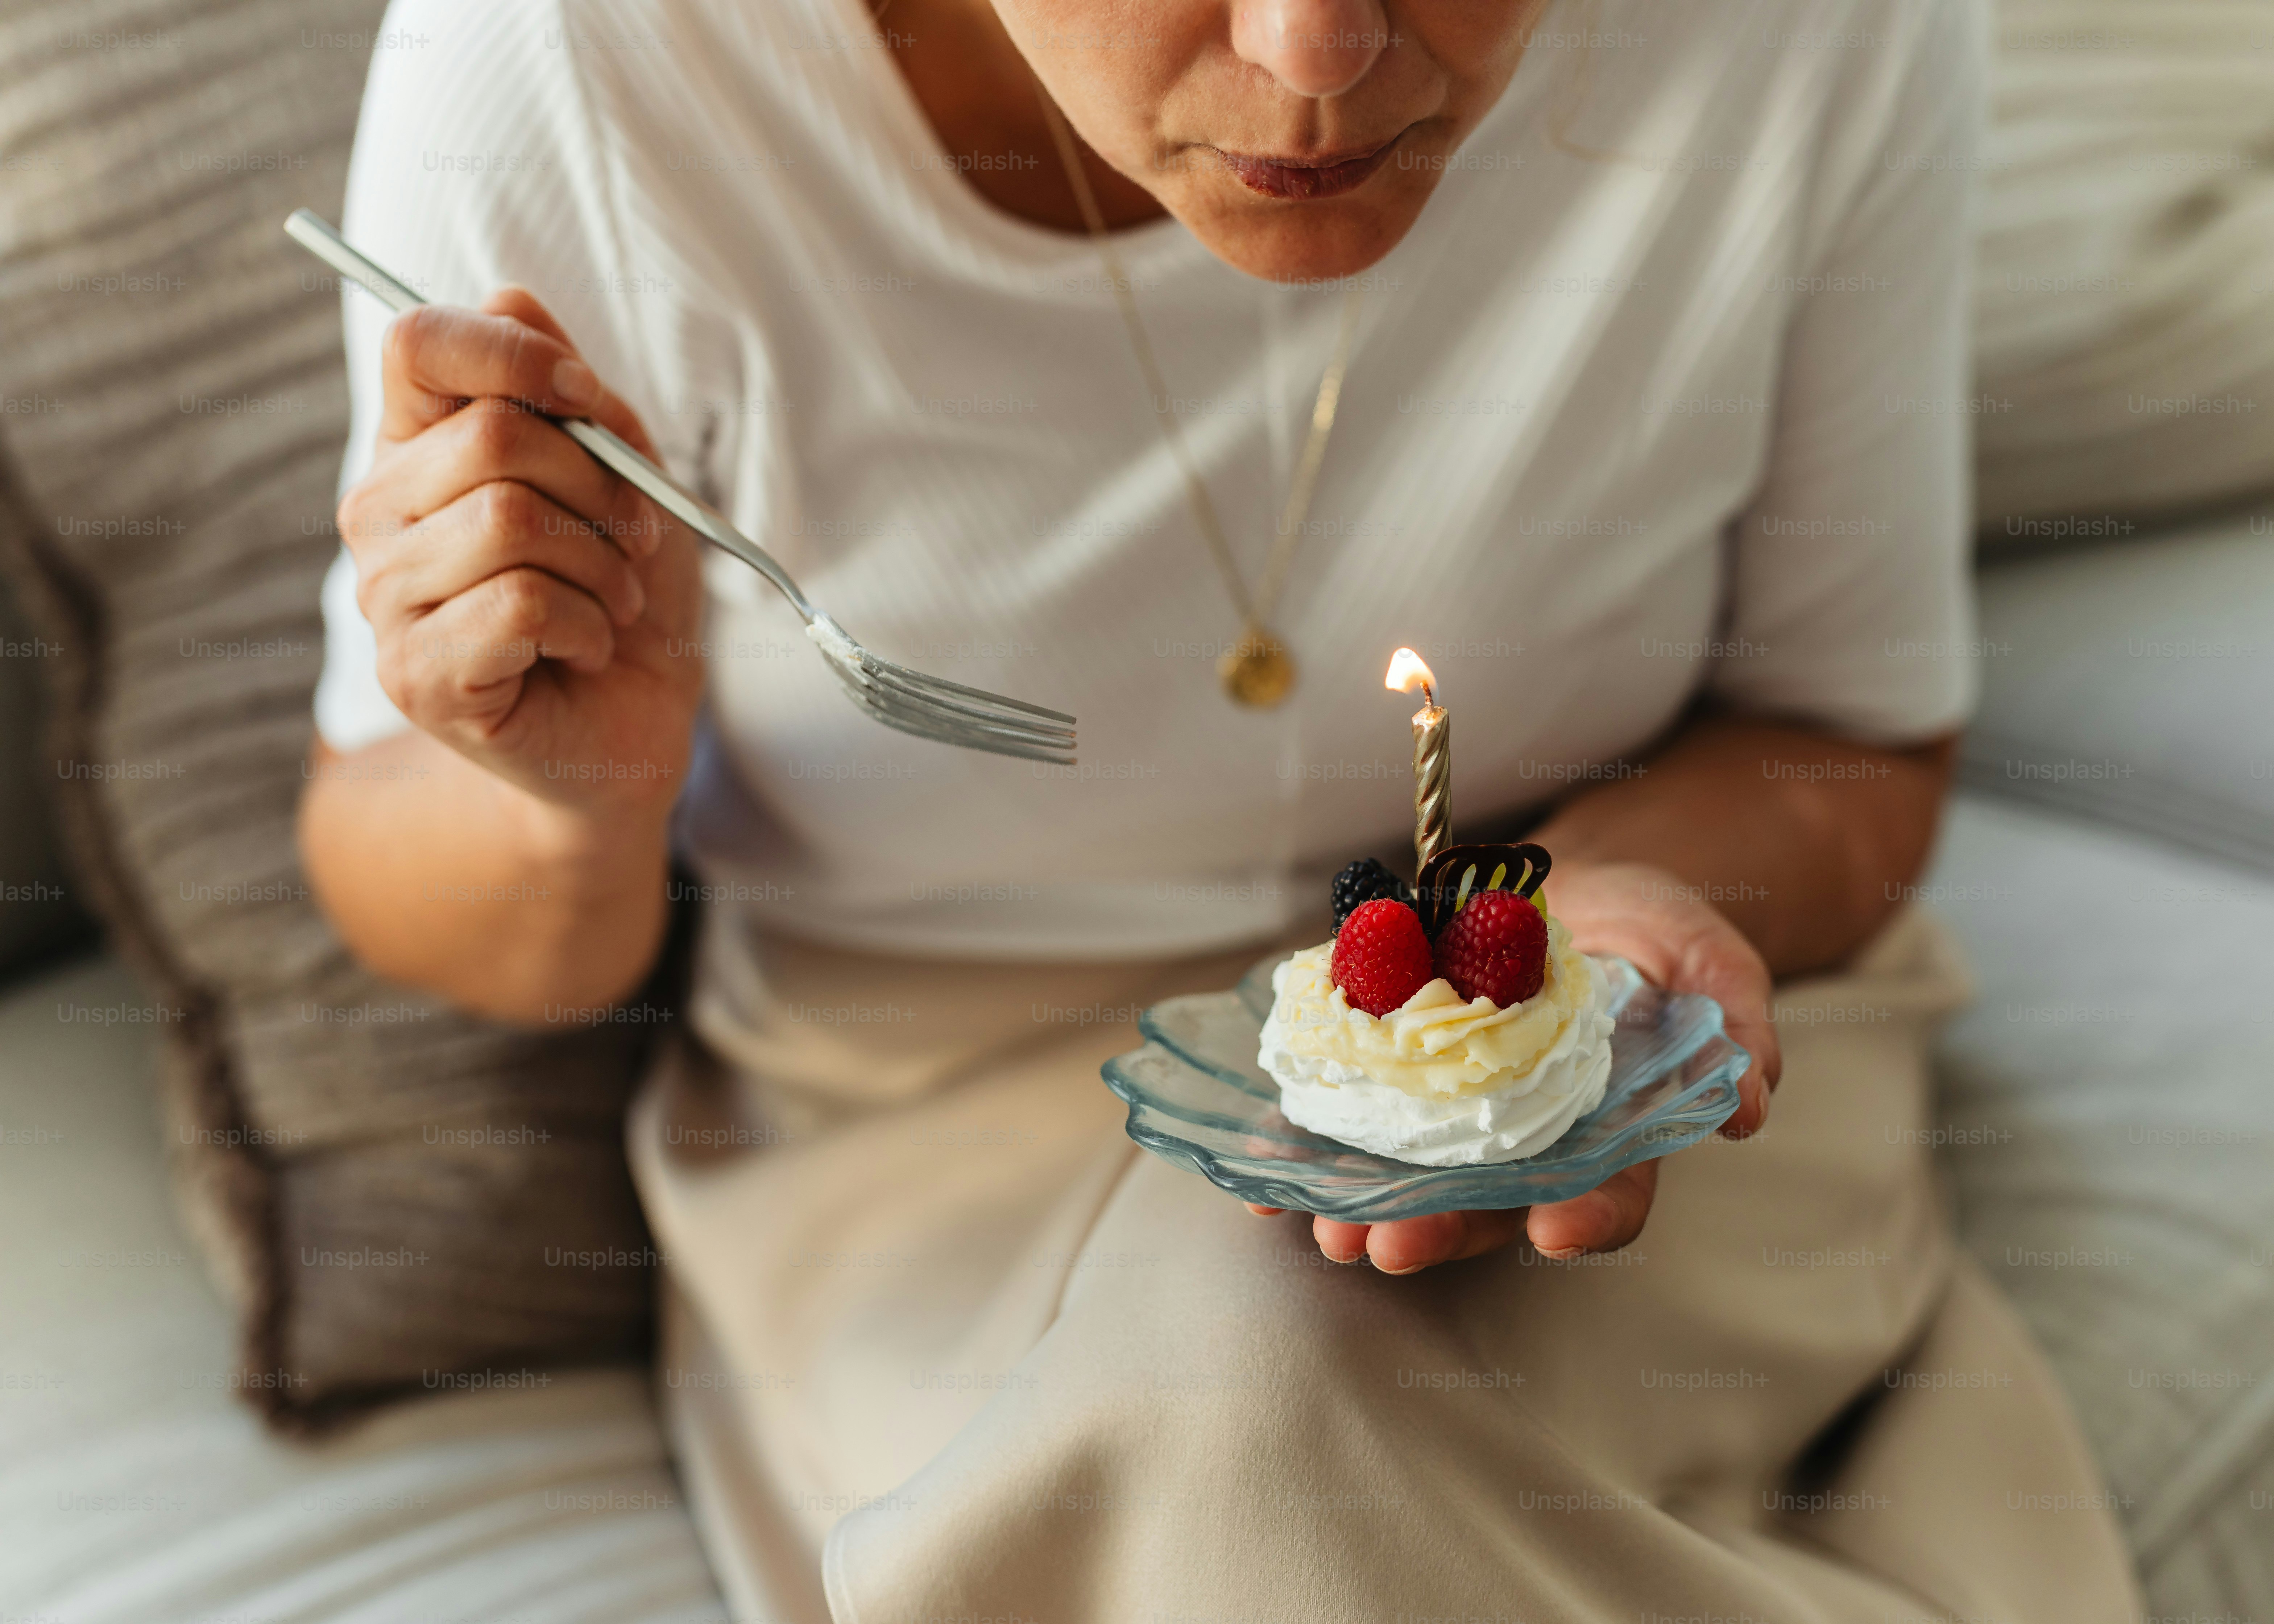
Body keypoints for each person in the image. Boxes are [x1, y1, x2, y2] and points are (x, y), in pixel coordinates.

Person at [302, 0, 2143, 1618]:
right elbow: (442, 903)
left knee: (1283, 1398)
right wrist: (570, 806)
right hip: (937, 1125)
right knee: (1246, 1391)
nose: (1315, 54)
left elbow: (1851, 738)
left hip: (1626, 1048)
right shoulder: (579, 63)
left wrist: (1599, 915)